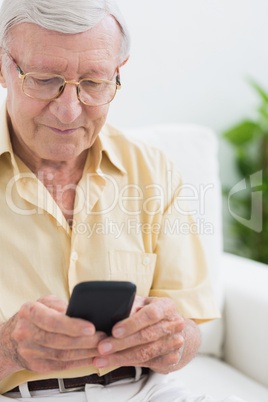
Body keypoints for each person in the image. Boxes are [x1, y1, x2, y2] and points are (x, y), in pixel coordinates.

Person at [0, 0, 247, 401]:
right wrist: (8, 348)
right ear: (3, 67)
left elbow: (189, 330)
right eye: (44, 79)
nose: (68, 110)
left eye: (94, 82)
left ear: (118, 73)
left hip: (148, 390)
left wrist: (171, 338)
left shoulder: (153, 169)